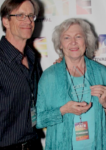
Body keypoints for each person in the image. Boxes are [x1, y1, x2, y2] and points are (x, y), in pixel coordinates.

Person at [36, 18, 106, 150]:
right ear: (60, 44)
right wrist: (64, 110)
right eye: (67, 38)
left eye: (78, 36)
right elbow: (38, 120)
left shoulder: (101, 72)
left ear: (86, 42)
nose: (73, 42)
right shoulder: (49, 76)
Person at [0, 0, 42, 149]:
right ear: (6, 20)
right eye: (21, 15)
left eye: (31, 16)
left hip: (33, 143)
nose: (28, 21)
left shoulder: (32, 58)